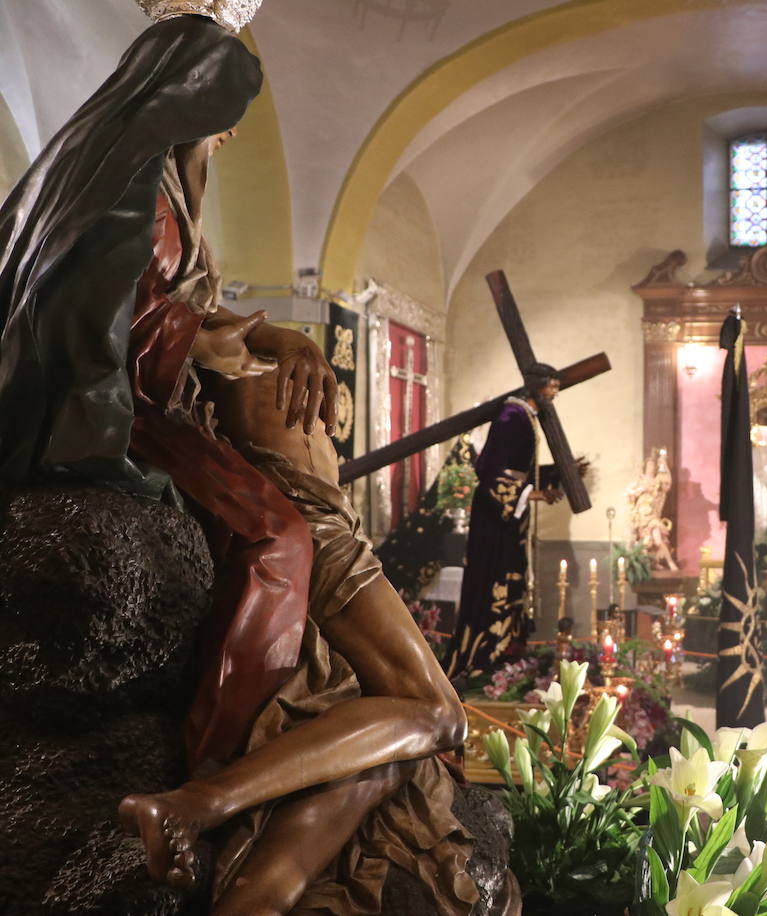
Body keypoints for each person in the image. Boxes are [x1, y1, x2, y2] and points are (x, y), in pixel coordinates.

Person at [0, 12, 488, 913]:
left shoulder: (147, 176)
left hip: (177, 412)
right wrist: (122, 453)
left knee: (394, 712)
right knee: (281, 539)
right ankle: (217, 765)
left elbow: (161, 311)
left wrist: (256, 332)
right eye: (225, 110)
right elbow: (109, 328)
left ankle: (223, 802)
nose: (227, 133)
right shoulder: (128, 184)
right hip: (131, 418)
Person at [448, 364, 567, 676]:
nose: (555, 393)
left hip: (509, 521)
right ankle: (484, 659)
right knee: (494, 584)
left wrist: (556, 472)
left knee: (512, 581)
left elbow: (518, 467)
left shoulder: (525, 417)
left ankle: (506, 654)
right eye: (552, 387)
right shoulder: (511, 417)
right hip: (494, 522)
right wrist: (533, 495)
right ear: (537, 388)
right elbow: (489, 471)